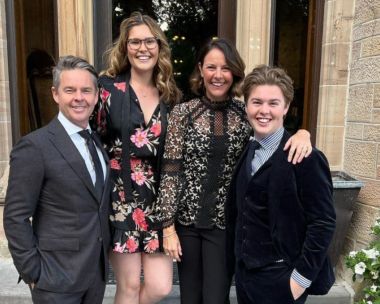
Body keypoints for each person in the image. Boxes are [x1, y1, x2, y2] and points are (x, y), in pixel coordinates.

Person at [154, 38, 312, 304]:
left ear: (235, 72)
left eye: (226, 68)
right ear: (200, 70)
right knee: (190, 297)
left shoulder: (246, 113)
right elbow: (170, 171)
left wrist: (304, 133)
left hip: (225, 225)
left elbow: (273, 133)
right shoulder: (182, 113)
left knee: (216, 297)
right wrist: (167, 227)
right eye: (211, 67)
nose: (218, 75)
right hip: (186, 225)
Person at [90, 11, 182, 304]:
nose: (143, 48)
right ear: (124, 47)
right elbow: (91, 139)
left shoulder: (170, 94)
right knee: (128, 286)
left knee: (160, 287)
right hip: (120, 197)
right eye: (134, 42)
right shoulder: (107, 89)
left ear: (159, 46)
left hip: (159, 200)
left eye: (149, 41)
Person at [3, 55, 111, 304]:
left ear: (96, 96)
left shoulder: (95, 142)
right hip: (54, 279)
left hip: (94, 275)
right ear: (55, 94)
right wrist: (32, 272)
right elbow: (15, 216)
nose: (79, 98)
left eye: (86, 90)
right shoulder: (34, 147)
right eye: (70, 90)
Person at [225, 65, 336, 304]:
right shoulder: (248, 148)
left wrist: (300, 280)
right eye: (256, 102)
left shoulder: (306, 157)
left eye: (273, 103)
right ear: (246, 106)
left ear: (286, 107)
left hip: (282, 279)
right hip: (246, 277)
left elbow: (323, 222)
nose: (264, 111)